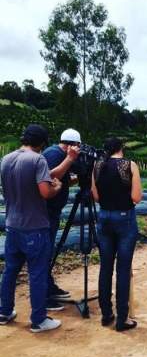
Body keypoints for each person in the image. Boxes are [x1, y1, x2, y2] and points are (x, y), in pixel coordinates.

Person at [0, 124, 63, 332]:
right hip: (35, 227)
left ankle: (4, 311)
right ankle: (39, 319)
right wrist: (57, 187)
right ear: (42, 143)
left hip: (12, 225)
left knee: (10, 271)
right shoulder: (38, 160)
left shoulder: (6, 159)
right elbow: (45, 193)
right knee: (37, 273)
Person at [91, 137, 142, 332]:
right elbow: (136, 197)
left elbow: (95, 196)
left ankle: (106, 314)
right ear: (121, 148)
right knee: (123, 268)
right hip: (125, 219)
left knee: (105, 267)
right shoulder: (129, 165)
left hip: (104, 218)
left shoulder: (97, 165)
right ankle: (123, 319)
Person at [42, 129, 81, 311]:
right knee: (44, 253)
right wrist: (70, 160)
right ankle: (44, 295)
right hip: (45, 212)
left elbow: (63, 178)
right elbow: (48, 176)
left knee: (48, 252)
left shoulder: (61, 154)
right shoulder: (53, 154)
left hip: (52, 212)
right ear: (71, 145)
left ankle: (49, 287)